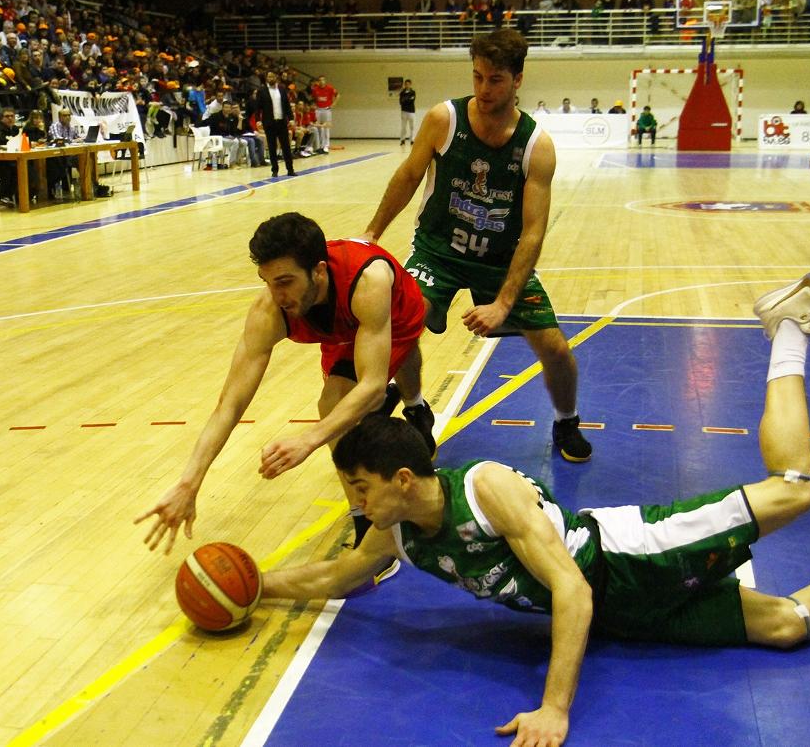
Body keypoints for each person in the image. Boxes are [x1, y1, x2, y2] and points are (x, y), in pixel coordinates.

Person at [260, 264, 810, 747]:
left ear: (399, 479)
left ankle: (788, 327)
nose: (352, 503)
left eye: (358, 487)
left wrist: (553, 709)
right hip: (625, 610)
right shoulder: (404, 538)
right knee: (790, 626)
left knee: (800, 490)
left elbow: (569, 587)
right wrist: (256, 586)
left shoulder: (485, 485)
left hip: (636, 553)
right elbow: (336, 575)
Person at [135, 213, 435, 556]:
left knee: (361, 390)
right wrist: (189, 483)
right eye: (267, 281)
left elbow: (372, 386)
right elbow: (229, 405)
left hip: (394, 312)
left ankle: (416, 407)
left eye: (285, 281)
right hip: (344, 327)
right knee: (337, 405)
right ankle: (364, 520)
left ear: (319, 271)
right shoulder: (270, 310)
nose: (276, 294)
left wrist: (307, 440)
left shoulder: (369, 281)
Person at [363, 29, 594, 463]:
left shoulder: (535, 145)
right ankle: (416, 409)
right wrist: (372, 232)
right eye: (477, 77)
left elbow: (533, 232)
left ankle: (567, 420)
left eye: (496, 80)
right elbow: (409, 176)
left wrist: (503, 303)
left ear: (518, 80)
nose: (484, 89)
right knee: (397, 326)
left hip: (500, 261)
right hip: (438, 251)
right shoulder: (443, 119)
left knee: (556, 349)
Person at [255, 70, 295, 177]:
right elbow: (258, 107)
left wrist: (291, 118)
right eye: (269, 77)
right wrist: (258, 120)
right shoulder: (262, 90)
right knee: (272, 147)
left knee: (286, 146)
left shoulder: (282, 89)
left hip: (281, 122)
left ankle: (290, 169)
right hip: (269, 122)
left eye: (272, 76)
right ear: (266, 78)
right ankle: (274, 170)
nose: (271, 78)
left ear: (276, 77)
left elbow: (287, 105)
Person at [309, 75, 336, 153]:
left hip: (326, 109)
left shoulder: (330, 88)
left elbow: (337, 95)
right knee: (319, 127)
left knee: (326, 127)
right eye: (320, 80)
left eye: (323, 80)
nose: (321, 81)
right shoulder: (315, 89)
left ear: (325, 81)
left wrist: (333, 104)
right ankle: (320, 145)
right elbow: (313, 98)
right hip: (318, 109)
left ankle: (326, 145)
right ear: (318, 81)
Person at [398, 78, 416, 146]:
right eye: (406, 84)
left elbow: (411, 100)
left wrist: (405, 100)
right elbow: (400, 102)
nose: (407, 85)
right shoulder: (402, 93)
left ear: (410, 85)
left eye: (408, 84)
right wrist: (407, 99)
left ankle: (412, 140)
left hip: (411, 112)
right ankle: (402, 140)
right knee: (403, 127)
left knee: (412, 127)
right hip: (404, 111)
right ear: (404, 85)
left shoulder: (413, 92)